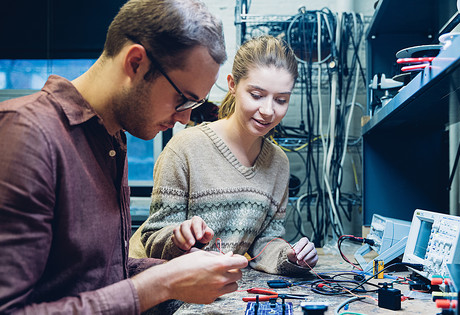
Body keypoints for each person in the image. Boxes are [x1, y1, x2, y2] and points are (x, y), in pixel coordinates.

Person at [0, 0, 248, 314]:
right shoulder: (26, 133)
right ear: (135, 63)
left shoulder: (111, 138)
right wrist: (163, 283)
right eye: (183, 100)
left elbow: (96, 275)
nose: (185, 119)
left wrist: (183, 270)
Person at [129, 35, 319, 275]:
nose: (269, 111)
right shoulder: (184, 148)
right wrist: (180, 238)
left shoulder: (278, 163)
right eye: (257, 95)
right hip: (156, 289)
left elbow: (265, 242)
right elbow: (153, 238)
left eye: (281, 100)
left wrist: (290, 256)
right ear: (232, 85)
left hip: (216, 289)